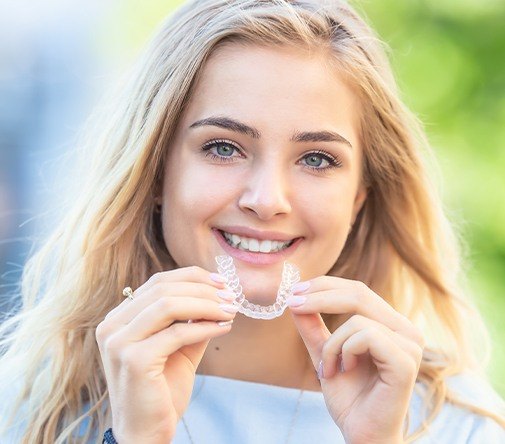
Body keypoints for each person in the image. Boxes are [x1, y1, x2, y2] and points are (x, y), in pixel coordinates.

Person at [1, 0, 504, 442]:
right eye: (223, 148)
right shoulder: (27, 408)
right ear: (154, 172)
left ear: (359, 198)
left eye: (317, 159)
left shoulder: (462, 426)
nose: (267, 200)